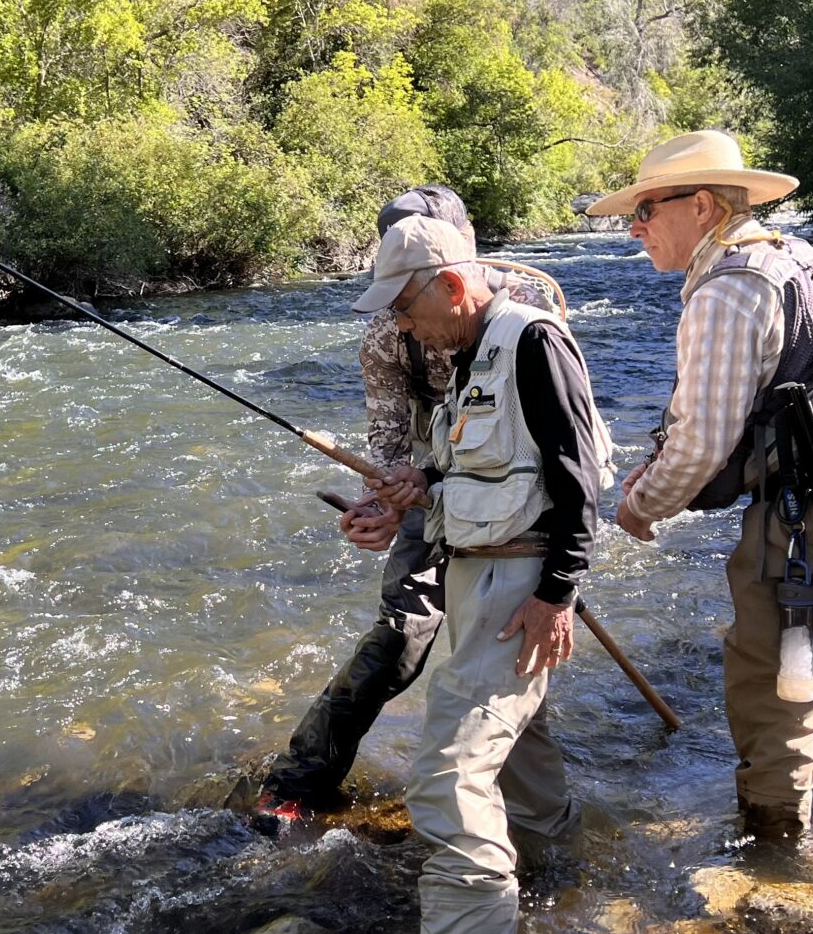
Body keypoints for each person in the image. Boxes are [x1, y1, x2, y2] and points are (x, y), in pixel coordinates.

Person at [590, 130, 813, 843]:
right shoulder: (800, 258)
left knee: (779, 699)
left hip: (812, 542)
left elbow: (704, 442)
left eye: (646, 209)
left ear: (702, 205)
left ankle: (774, 871)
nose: (636, 227)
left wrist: (641, 506)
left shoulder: (730, 290)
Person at [255, 187, 606, 820]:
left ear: (460, 251)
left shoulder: (523, 314)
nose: (402, 317)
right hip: (432, 488)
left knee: (510, 657)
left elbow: (565, 444)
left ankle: (530, 825)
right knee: (401, 637)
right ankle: (301, 780)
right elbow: (390, 442)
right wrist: (389, 504)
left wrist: (559, 582)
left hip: (520, 506)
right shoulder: (389, 332)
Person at [346, 214, 608, 934]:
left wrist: (556, 595)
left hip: (518, 582)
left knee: (447, 772)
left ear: (453, 287)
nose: (400, 326)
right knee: (519, 740)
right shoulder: (464, 351)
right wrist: (415, 487)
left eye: (404, 308)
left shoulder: (532, 342)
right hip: (475, 575)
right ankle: (559, 868)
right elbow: (483, 468)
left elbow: (578, 481)